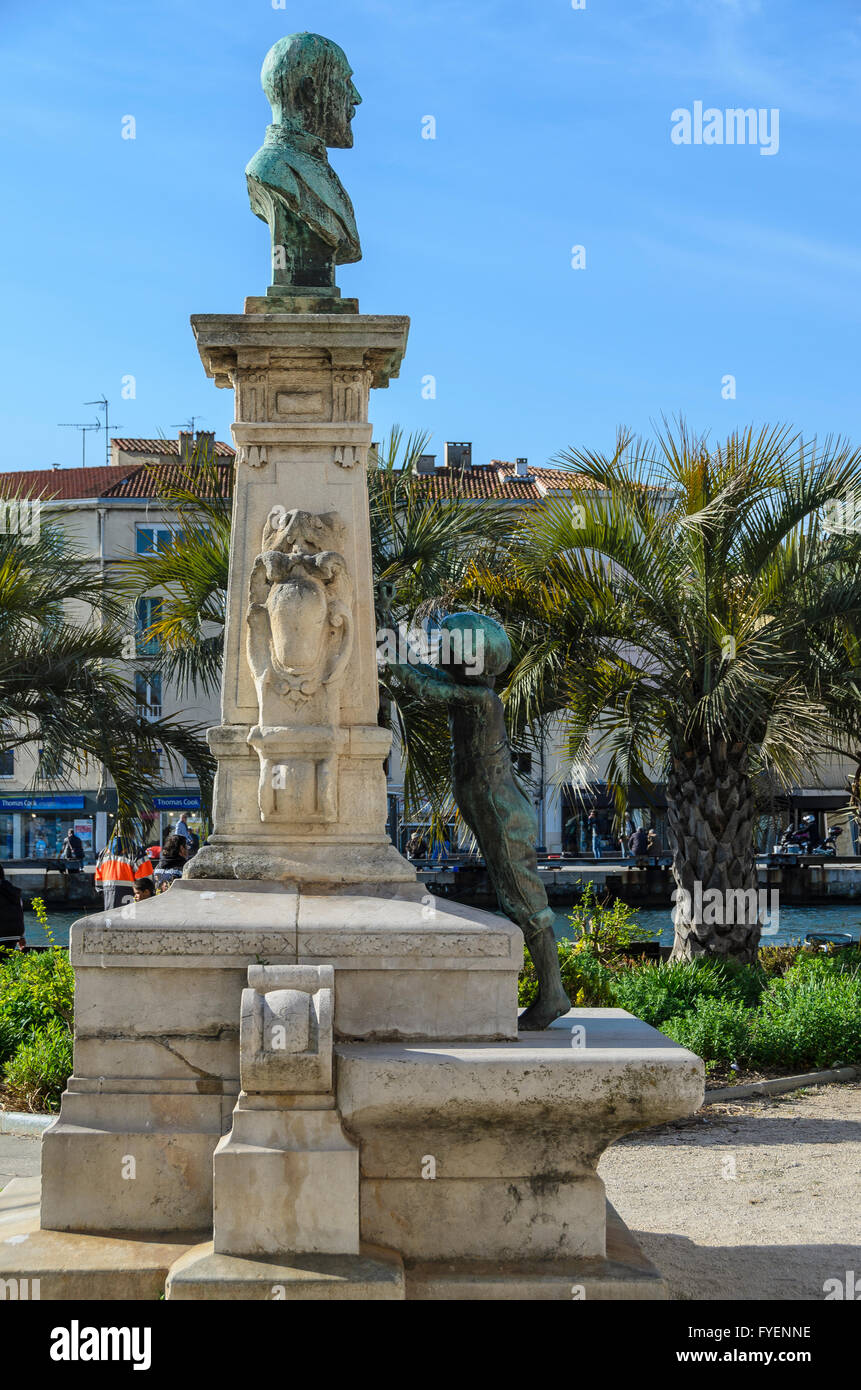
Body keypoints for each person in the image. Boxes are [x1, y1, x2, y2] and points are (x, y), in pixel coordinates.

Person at [388, 611, 571, 1031]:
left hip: (498, 807)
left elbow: (419, 683)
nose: (442, 654)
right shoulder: (469, 687)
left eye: (448, 649)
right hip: (488, 802)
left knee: (524, 900)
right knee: (517, 896)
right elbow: (421, 670)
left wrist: (386, 645)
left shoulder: (480, 698)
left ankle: (553, 993)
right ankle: (550, 991)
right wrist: (385, 624)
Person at [94, 836, 154, 910]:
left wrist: (103, 893)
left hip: (109, 897)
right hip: (130, 897)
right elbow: (146, 880)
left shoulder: (103, 853)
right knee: (128, 920)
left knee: (111, 920)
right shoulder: (136, 851)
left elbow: (98, 880)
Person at [0, 864, 26, 951]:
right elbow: (20, 913)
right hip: (15, 934)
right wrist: (21, 937)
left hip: (1, 934)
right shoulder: (14, 891)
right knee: (5, 961)